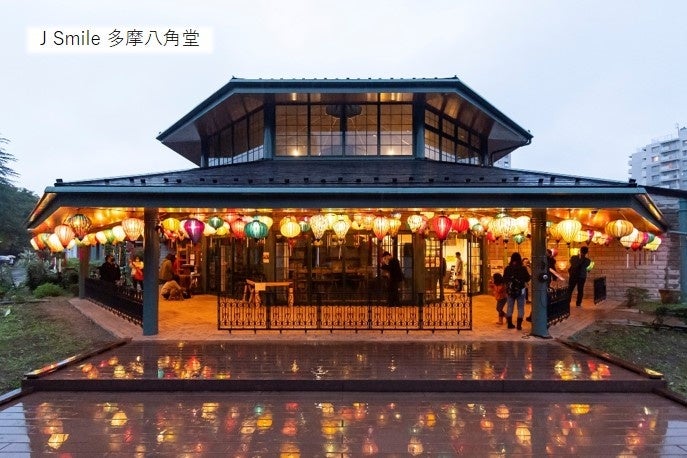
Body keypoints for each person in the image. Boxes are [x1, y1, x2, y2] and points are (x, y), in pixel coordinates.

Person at [504, 252, 531, 330]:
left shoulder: (507, 268)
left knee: (509, 307)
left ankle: (509, 324)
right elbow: (527, 279)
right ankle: (519, 325)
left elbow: (504, 278)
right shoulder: (523, 268)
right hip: (521, 290)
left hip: (510, 290)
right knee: (520, 307)